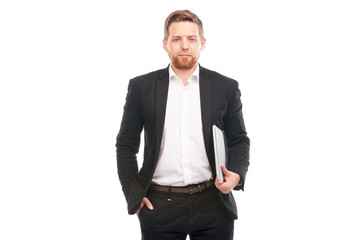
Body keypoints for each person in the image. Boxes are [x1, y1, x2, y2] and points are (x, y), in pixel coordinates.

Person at [116, 10, 250, 240]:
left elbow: (239, 139)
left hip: (213, 203)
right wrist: (133, 195)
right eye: (176, 39)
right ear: (165, 44)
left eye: (191, 39)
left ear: (202, 43)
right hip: (158, 206)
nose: (184, 45)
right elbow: (126, 145)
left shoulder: (225, 87)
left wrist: (236, 175)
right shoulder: (141, 87)